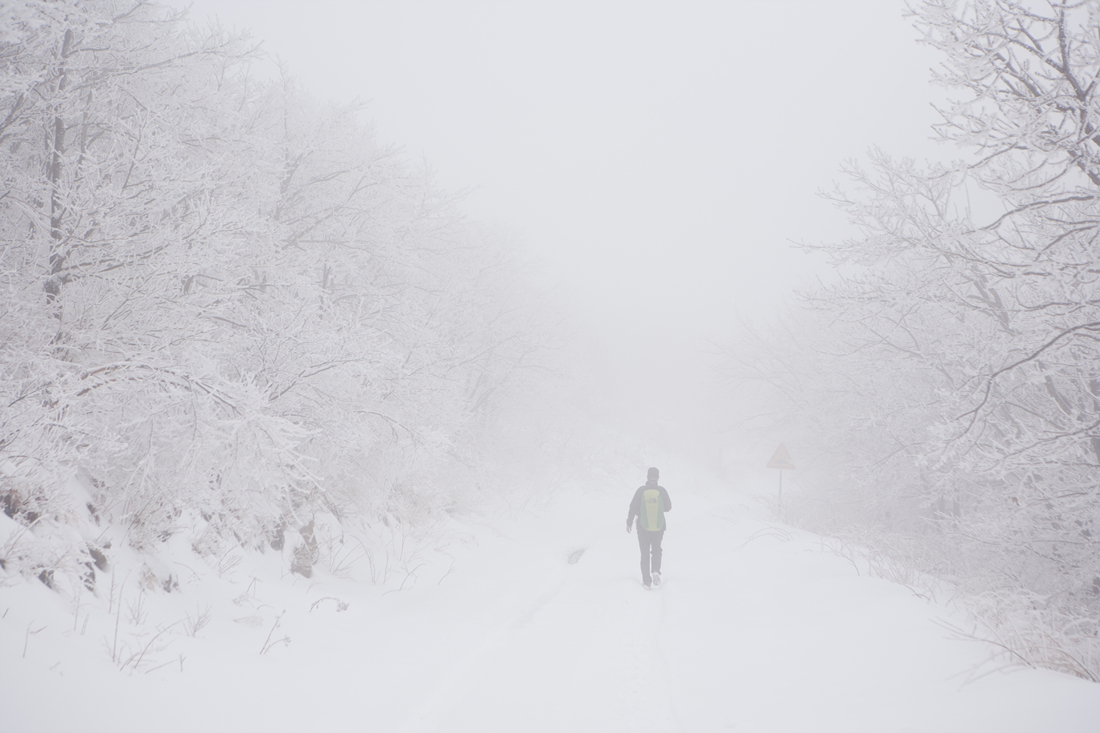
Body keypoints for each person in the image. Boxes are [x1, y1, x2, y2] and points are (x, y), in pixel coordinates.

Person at [626, 467, 672, 588]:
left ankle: (647, 581)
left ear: (647, 477)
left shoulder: (641, 491)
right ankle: (656, 570)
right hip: (658, 526)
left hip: (642, 527)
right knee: (656, 549)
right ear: (657, 478)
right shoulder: (661, 491)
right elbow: (668, 507)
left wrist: (629, 522)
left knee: (644, 553)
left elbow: (633, 507)